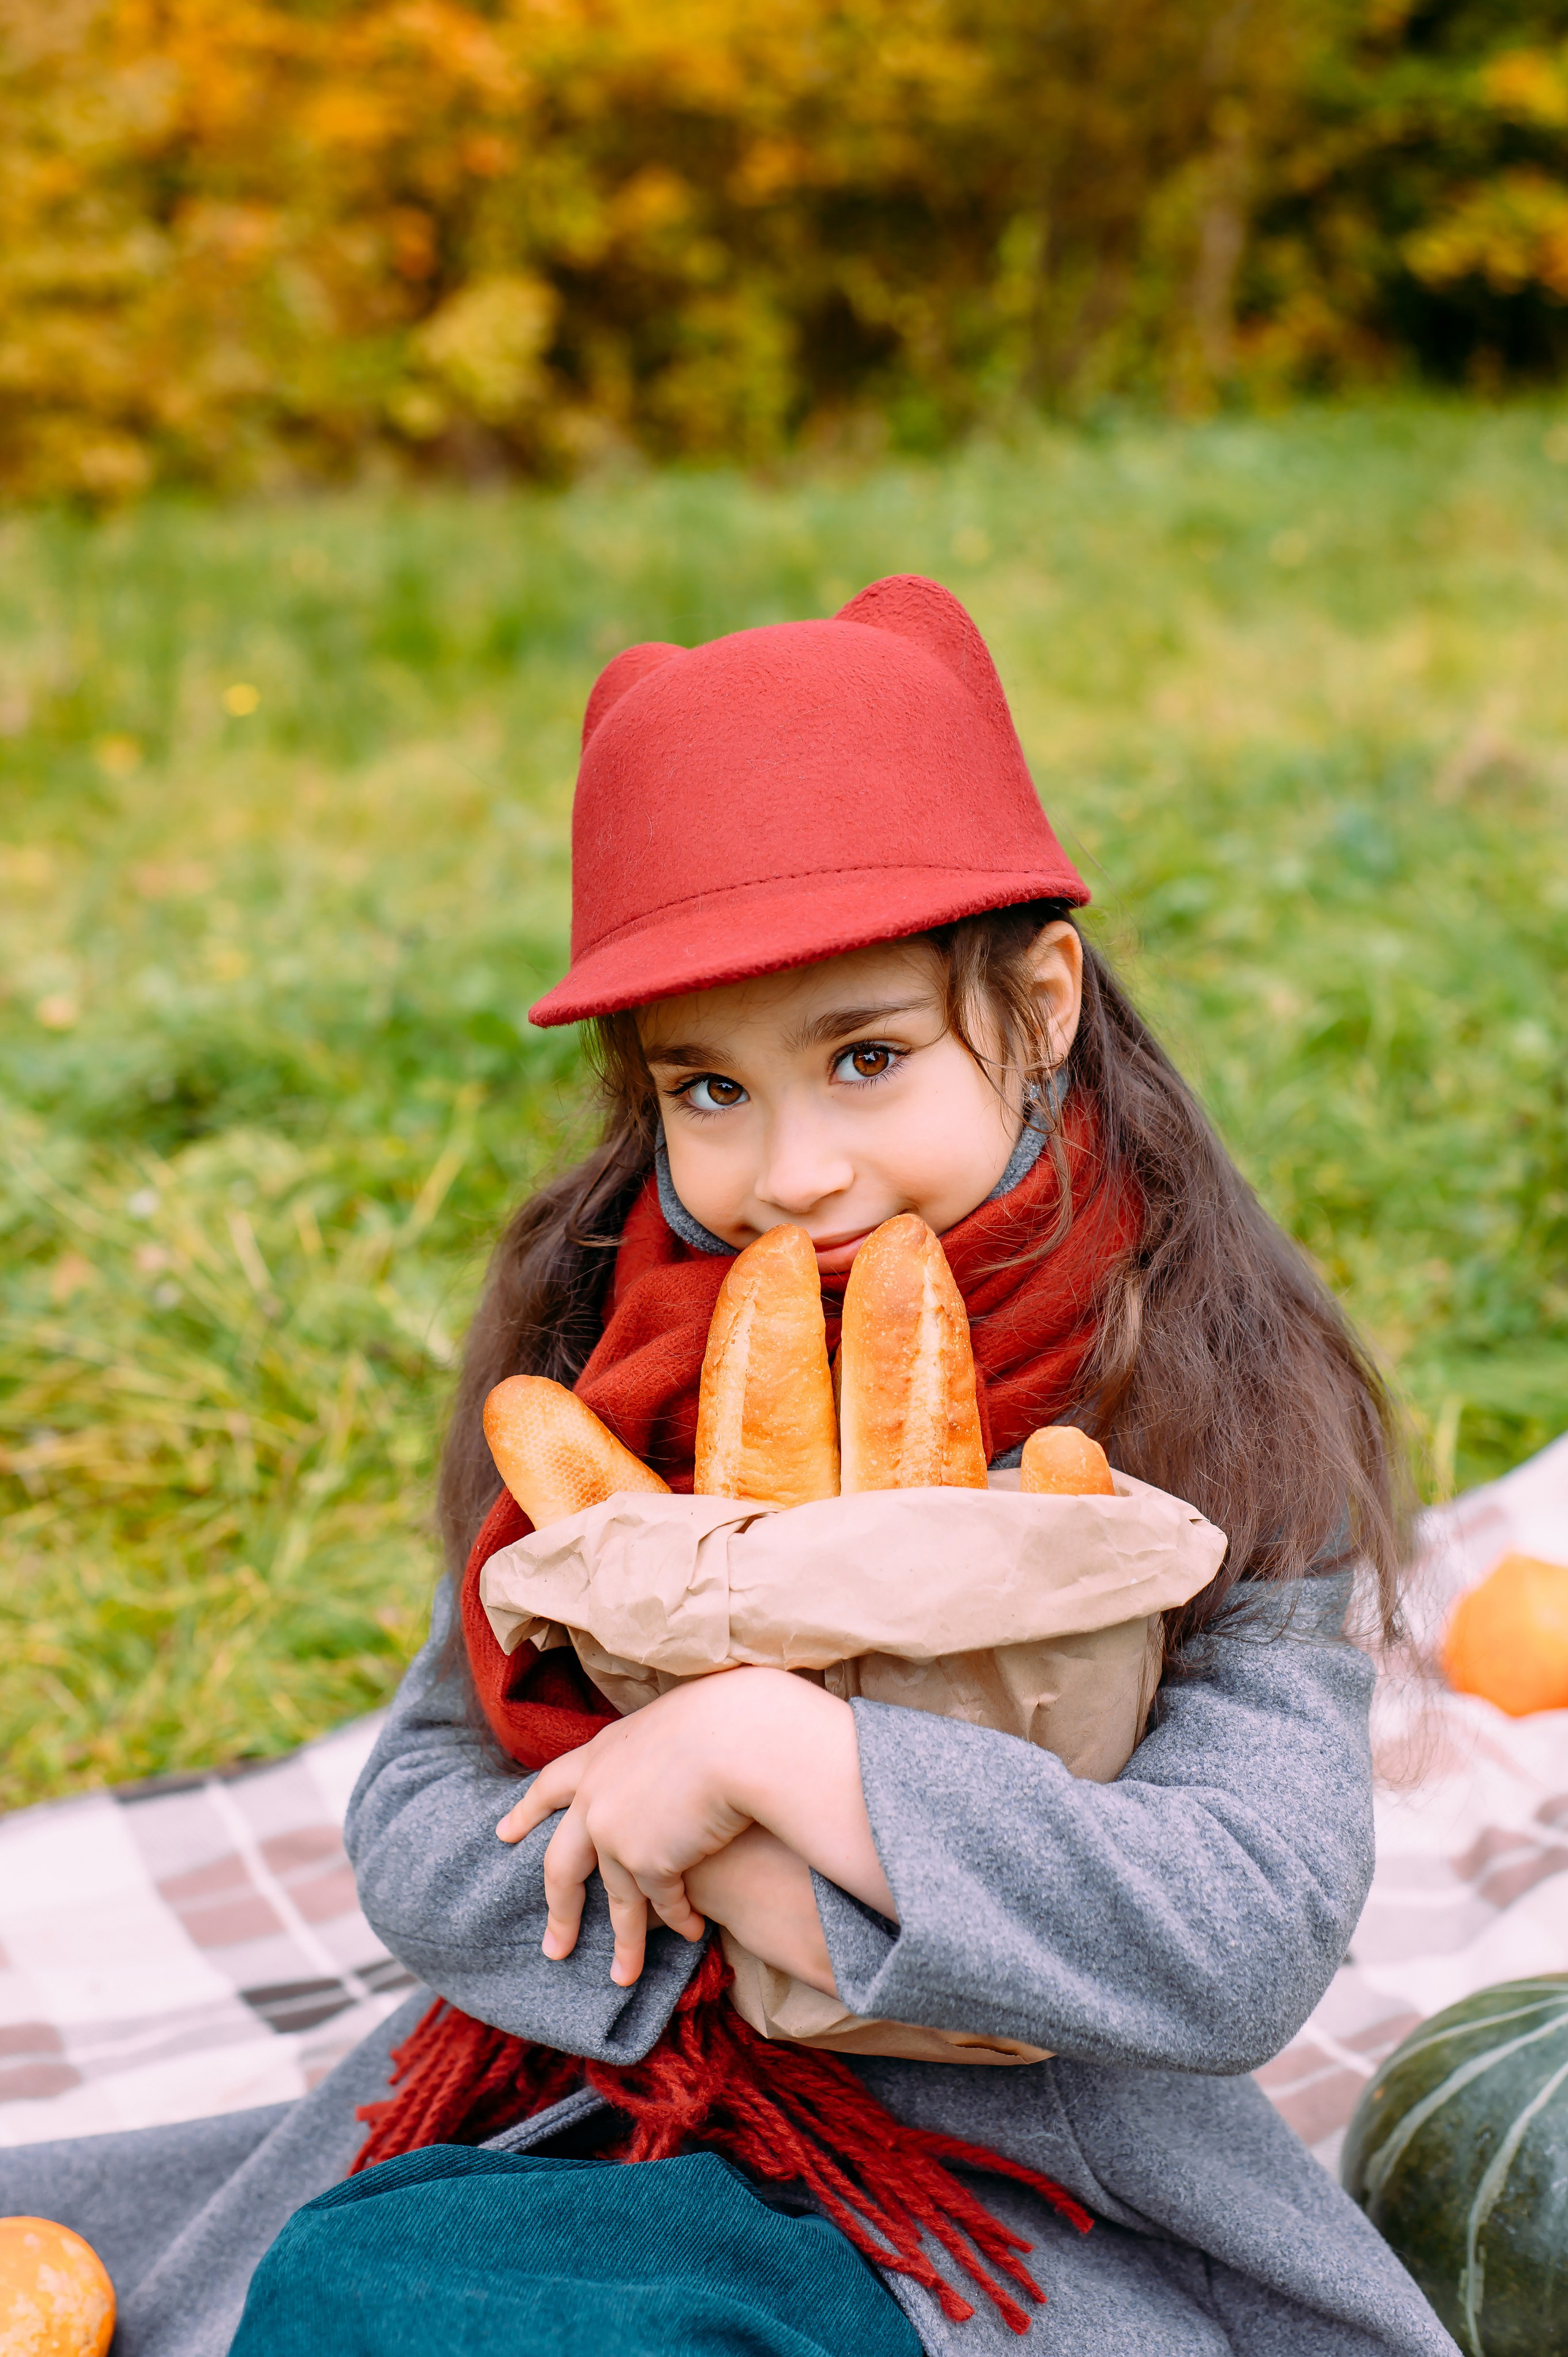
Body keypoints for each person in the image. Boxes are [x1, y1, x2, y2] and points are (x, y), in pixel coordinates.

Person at [0, 577, 1459, 2356]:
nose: (792, 1172)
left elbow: (1238, 1932)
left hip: (1008, 2203)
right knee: (372, 2302)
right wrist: (727, 1888)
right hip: (592, 2114)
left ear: (1044, 999)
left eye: (866, 1057)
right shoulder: (619, 1376)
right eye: (710, 1089)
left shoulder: (1210, 1405)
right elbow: (422, 1820)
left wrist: (777, 1754)